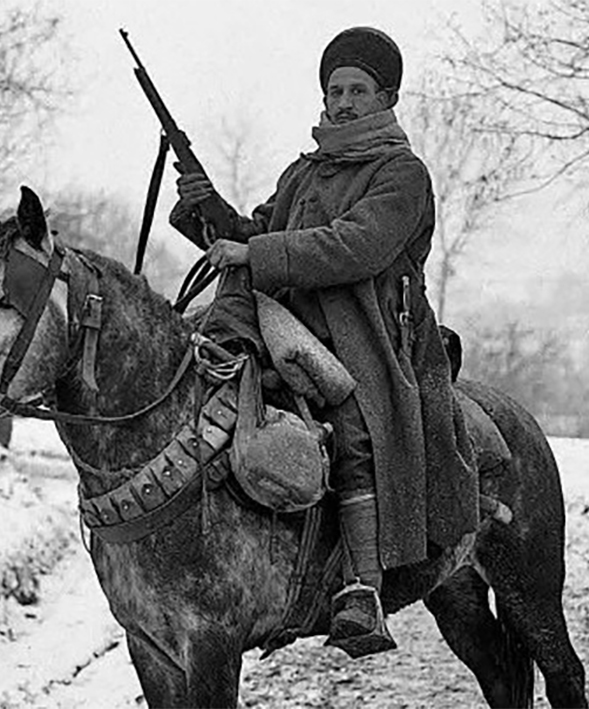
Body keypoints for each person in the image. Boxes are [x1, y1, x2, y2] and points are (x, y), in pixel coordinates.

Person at [169, 27, 478, 659]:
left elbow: (356, 246)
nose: (342, 102)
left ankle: (362, 590)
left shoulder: (402, 173)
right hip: (288, 325)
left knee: (355, 426)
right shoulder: (304, 172)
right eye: (335, 91)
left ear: (386, 98)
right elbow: (256, 235)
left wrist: (254, 252)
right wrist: (207, 208)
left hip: (370, 336)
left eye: (357, 91)